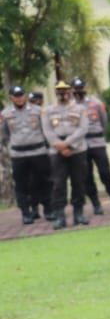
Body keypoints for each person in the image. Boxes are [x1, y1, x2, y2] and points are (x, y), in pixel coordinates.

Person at [42, 80, 90, 229]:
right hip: (57, 151)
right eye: (59, 91)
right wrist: (59, 146)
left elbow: (83, 129)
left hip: (77, 149)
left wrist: (68, 144)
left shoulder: (80, 109)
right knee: (58, 184)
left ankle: (78, 214)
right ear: (56, 93)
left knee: (78, 182)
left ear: (70, 92)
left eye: (65, 90)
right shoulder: (47, 110)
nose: (63, 93)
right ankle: (60, 217)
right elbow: (47, 131)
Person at [2, 84, 51, 225]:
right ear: (11, 98)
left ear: (25, 96)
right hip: (18, 154)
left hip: (38, 151)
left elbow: (45, 130)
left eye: (21, 95)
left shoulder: (38, 111)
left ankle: (48, 209)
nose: (19, 99)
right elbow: (5, 134)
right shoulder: (5, 114)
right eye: (16, 96)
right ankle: (26, 213)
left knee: (44, 181)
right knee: (21, 184)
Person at [70, 78, 110, 214]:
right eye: (76, 88)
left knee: (105, 173)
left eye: (81, 87)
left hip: (97, 142)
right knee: (86, 176)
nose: (79, 91)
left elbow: (104, 122)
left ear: (85, 88)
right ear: (72, 90)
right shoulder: (70, 107)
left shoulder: (96, 103)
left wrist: (97, 134)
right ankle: (95, 203)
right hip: (80, 145)